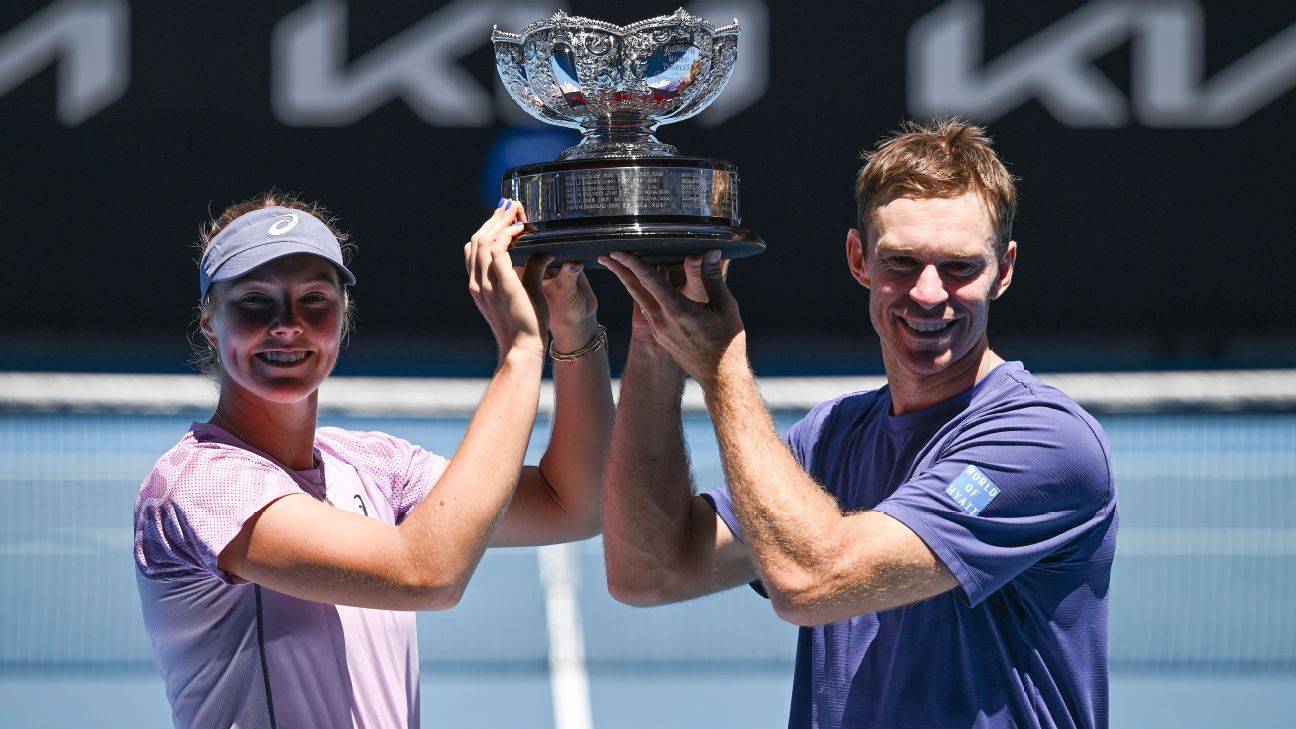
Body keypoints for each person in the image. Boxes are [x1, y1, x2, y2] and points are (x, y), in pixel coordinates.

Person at [598, 118, 1118, 729]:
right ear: (858, 259)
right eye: (901, 262)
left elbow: (813, 582)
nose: (928, 294)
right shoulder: (831, 437)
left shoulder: (1046, 441)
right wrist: (657, 336)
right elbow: (648, 571)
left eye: (959, 267)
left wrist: (720, 366)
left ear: (1003, 271)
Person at [133, 193, 613, 728]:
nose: (288, 323)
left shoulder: (374, 464)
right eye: (253, 300)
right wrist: (521, 352)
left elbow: (573, 503)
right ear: (208, 322)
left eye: (314, 298)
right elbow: (427, 574)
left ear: (342, 317)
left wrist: (575, 330)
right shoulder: (202, 482)